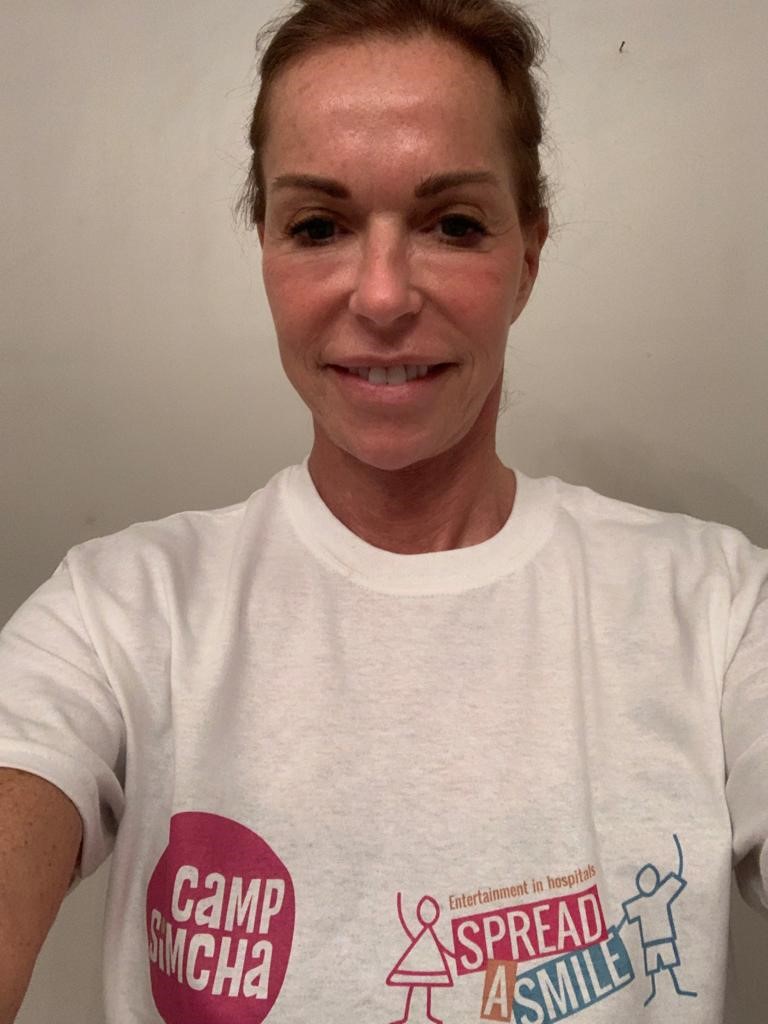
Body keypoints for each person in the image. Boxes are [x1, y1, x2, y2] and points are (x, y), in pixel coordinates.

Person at [0, 1, 766, 1022]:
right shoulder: (117, 612)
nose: (382, 295)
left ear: (528, 257)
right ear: (266, 251)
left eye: (454, 225)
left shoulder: (717, 607)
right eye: (319, 227)